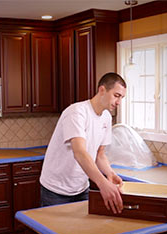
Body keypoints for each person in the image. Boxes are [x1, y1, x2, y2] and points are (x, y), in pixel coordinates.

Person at [39, 72, 127, 214]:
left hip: (81, 188)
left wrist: (109, 173)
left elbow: (100, 155)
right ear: (102, 90)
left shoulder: (106, 117)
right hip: (56, 190)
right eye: (116, 96)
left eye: (122, 98)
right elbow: (79, 152)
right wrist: (102, 183)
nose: (119, 102)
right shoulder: (77, 112)